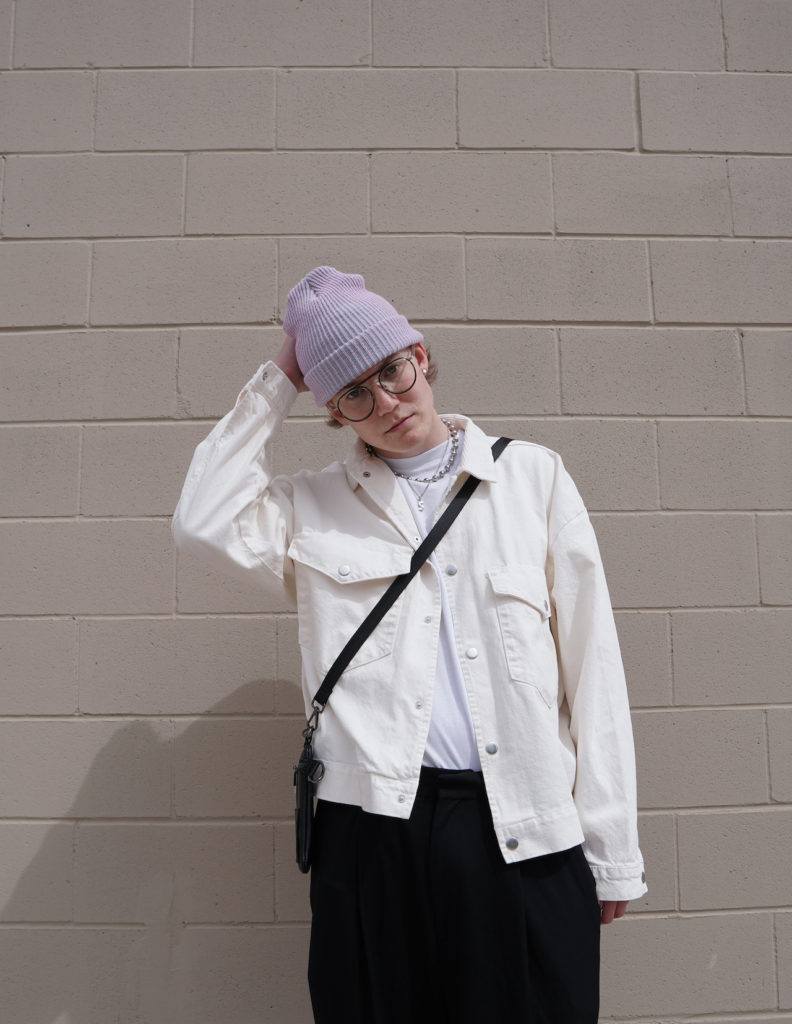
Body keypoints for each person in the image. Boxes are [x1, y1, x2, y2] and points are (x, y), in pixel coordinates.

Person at [171, 265, 647, 1024]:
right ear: (332, 409)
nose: (386, 403)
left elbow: (595, 668)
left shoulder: (533, 478)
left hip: (521, 828)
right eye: (353, 392)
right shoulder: (313, 507)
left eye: (392, 370)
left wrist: (610, 842)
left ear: (421, 356)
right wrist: (281, 377)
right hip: (371, 838)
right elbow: (201, 520)